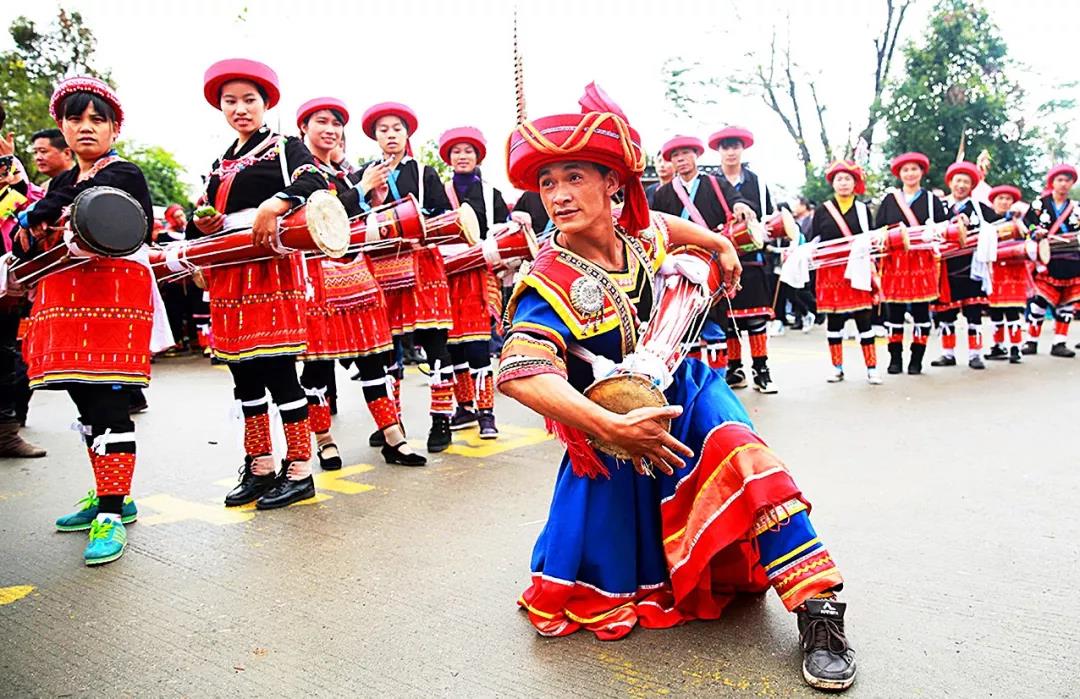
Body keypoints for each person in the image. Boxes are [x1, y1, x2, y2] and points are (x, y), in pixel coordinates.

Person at [498, 90, 856, 692]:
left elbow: (662, 224)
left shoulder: (639, 238)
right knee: (618, 580)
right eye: (548, 181)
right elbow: (522, 371)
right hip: (613, 424)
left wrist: (716, 242)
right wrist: (609, 427)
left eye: (574, 176)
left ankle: (819, 607)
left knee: (749, 460)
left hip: (686, 386)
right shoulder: (547, 279)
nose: (557, 195)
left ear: (613, 183)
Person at [13, 77, 164, 564]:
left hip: (112, 299)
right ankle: (108, 495)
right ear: (62, 125)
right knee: (84, 400)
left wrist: (40, 210)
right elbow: (37, 234)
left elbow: (100, 208)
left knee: (109, 402)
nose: (86, 127)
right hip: (67, 299)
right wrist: (28, 226)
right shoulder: (59, 181)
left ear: (114, 129)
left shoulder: (124, 173)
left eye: (97, 119)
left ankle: (113, 513)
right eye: (76, 119)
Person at [192, 58, 325, 509]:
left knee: (279, 370)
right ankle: (260, 465)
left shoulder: (285, 147)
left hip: (270, 268)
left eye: (249, 100)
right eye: (231, 101)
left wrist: (277, 201)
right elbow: (205, 211)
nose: (240, 109)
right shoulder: (218, 162)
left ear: (266, 103)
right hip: (229, 273)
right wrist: (203, 223)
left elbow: (314, 180)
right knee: (243, 374)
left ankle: (301, 469)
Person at [296, 97, 425, 467]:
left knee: (374, 358)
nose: (331, 131)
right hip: (317, 274)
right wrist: (362, 187)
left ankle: (393, 437)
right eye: (322, 122)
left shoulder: (343, 172)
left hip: (356, 271)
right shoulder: (298, 171)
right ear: (304, 127)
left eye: (337, 124)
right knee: (317, 366)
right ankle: (324, 440)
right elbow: (322, 220)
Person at [340, 101, 456, 452]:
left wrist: (417, 222)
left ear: (407, 134)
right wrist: (365, 191)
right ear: (375, 137)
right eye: (383, 130)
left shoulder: (423, 173)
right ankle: (392, 421)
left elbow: (445, 217)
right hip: (380, 266)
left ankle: (441, 420)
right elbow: (348, 218)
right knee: (385, 347)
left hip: (421, 263)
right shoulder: (362, 173)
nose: (390, 135)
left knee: (434, 341)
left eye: (397, 129)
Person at [650, 135, 754, 378]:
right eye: (675, 156)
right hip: (679, 267)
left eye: (685, 153)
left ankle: (719, 379)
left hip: (712, 263)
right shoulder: (664, 193)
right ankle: (692, 381)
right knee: (684, 326)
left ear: (696, 155)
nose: (681, 159)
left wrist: (740, 206)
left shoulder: (716, 184)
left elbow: (735, 201)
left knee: (715, 325)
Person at [438, 126, 510, 439]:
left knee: (478, 347)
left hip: (477, 276)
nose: (463, 156)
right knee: (452, 349)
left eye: (468, 151)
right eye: (457, 151)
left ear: (478, 156)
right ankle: (464, 407)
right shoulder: (438, 189)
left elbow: (502, 232)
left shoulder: (491, 193)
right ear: (449, 158)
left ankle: (487, 414)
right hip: (445, 277)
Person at [809, 161, 881, 384]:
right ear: (833, 183)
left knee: (864, 319)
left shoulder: (862, 209)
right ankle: (837, 368)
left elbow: (870, 238)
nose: (843, 183)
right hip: (831, 270)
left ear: (855, 183)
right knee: (835, 321)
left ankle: (872, 369)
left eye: (847, 179)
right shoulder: (822, 210)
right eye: (839, 179)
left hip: (857, 268)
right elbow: (815, 238)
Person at [875, 152, 946, 375]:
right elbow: (879, 230)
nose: (910, 174)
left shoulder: (933, 201)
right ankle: (895, 359)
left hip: (921, 261)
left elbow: (943, 229)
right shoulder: (889, 200)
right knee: (893, 312)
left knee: (921, 312)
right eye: (905, 170)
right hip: (895, 261)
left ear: (921, 172)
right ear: (899, 174)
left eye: (914, 169)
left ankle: (917, 360)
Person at [930, 161, 993, 370]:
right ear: (950, 182)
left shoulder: (980, 208)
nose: (961, 185)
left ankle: (975, 354)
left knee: (973, 312)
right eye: (958, 180)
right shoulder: (939, 206)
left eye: (966, 182)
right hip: (946, 266)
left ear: (972, 186)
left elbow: (996, 227)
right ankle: (947, 354)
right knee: (946, 313)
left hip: (971, 267)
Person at [1022, 164, 1079, 357]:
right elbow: (1027, 223)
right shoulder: (1039, 204)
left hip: (1071, 261)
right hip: (1046, 261)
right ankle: (1031, 341)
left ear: (1072, 183)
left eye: (1067, 180)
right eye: (1059, 180)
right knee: (1039, 302)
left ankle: (1059, 342)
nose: (1063, 184)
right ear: (1052, 183)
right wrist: (1035, 232)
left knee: (1068, 303)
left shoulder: (1077, 209)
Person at [982, 184, 1029, 363]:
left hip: (1012, 269)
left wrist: (1020, 224)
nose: (1004, 202)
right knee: (995, 310)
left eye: (1008, 199)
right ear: (993, 202)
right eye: (1000, 199)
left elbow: (1027, 236)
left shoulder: (1018, 221)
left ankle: (1016, 347)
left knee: (1011, 310)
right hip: (994, 269)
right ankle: (998, 345)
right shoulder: (986, 220)